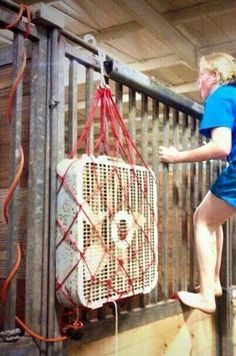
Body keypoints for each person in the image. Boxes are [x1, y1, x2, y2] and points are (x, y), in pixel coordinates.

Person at [159, 53, 236, 314]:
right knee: (211, 218)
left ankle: (206, 297)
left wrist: (178, 156)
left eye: (200, 74)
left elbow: (221, 145)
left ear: (214, 76)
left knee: (202, 221)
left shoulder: (220, 96)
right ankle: (213, 282)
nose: (198, 81)